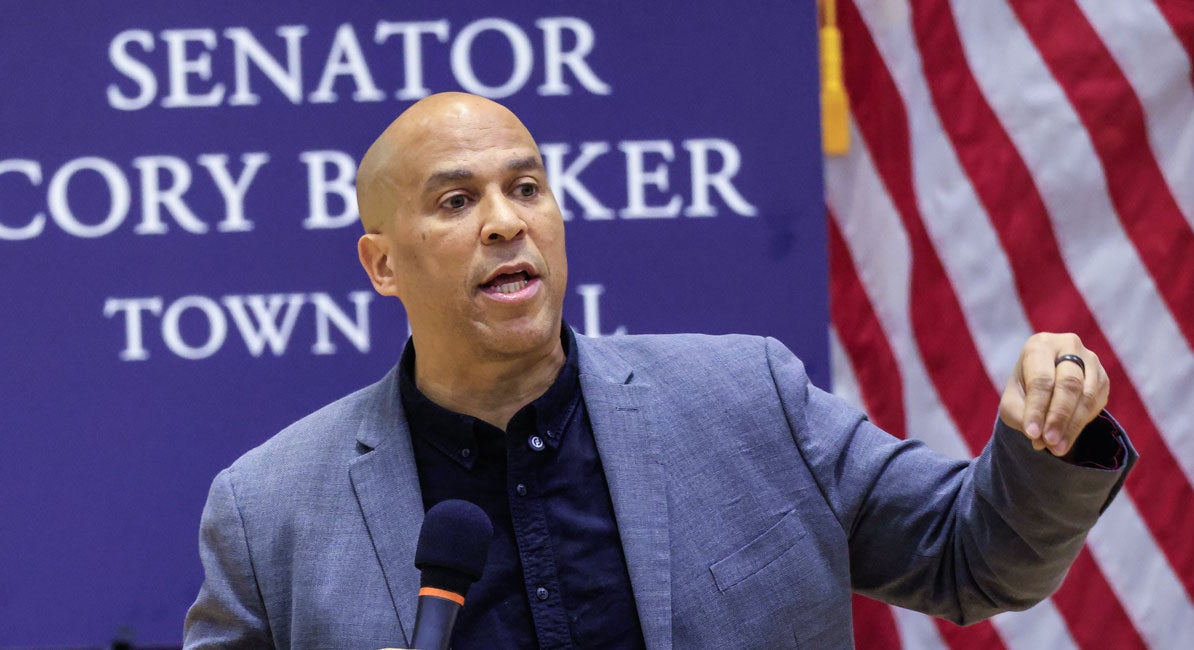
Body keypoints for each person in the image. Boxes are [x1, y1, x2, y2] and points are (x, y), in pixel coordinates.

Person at [183, 93, 1135, 649]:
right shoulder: (272, 515)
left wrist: (1046, 439)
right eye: (456, 201)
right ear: (382, 264)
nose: (507, 222)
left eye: (525, 187)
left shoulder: (748, 400)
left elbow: (974, 561)